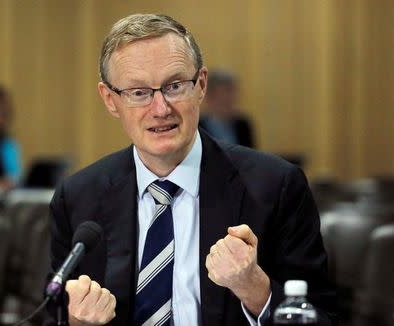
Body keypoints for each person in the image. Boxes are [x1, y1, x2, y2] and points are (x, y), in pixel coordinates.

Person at [48, 14, 337, 326]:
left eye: (174, 85)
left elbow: (322, 318)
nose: (160, 109)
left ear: (200, 85)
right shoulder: (78, 197)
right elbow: (52, 315)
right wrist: (75, 324)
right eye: (138, 92)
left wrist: (255, 290)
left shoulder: (276, 186)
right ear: (110, 99)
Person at [199, 69, 255, 148]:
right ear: (208, 97)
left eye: (231, 95)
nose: (229, 100)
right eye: (222, 98)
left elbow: (252, 156)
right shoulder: (197, 127)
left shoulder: (243, 125)